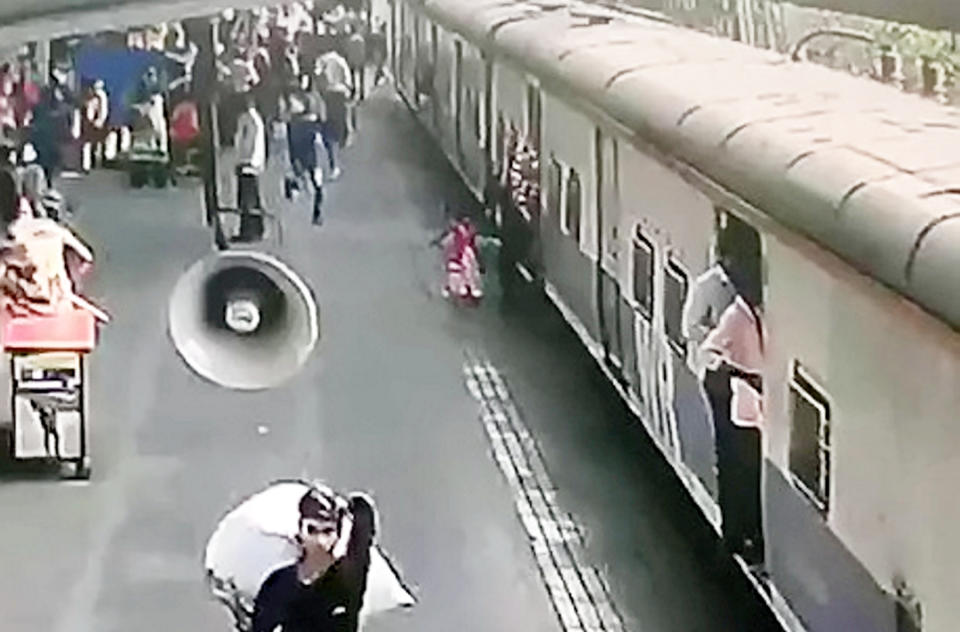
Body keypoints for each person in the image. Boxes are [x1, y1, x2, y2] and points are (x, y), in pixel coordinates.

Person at [251, 484, 376, 632]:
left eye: (327, 531)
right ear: (300, 531)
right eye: (312, 530)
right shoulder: (278, 584)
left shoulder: (346, 580)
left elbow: (362, 534)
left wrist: (352, 507)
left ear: (338, 534)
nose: (320, 541)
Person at [433, 211, 484, 303]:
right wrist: (438, 241)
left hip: (462, 254)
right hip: (457, 254)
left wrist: (480, 262)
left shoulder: (469, 231)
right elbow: (449, 230)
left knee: (467, 269)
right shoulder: (460, 229)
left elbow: (473, 245)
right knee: (457, 270)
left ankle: (467, 289)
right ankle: (452, 288)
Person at [234, 94, 266, 215]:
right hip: (255, 159)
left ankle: (245, 208)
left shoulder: (245, 119)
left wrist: (241, 158)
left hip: (246, 158)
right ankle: (254, 209)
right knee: (252, 185)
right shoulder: (258, 119)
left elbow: (240, 139)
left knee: (245, 186)